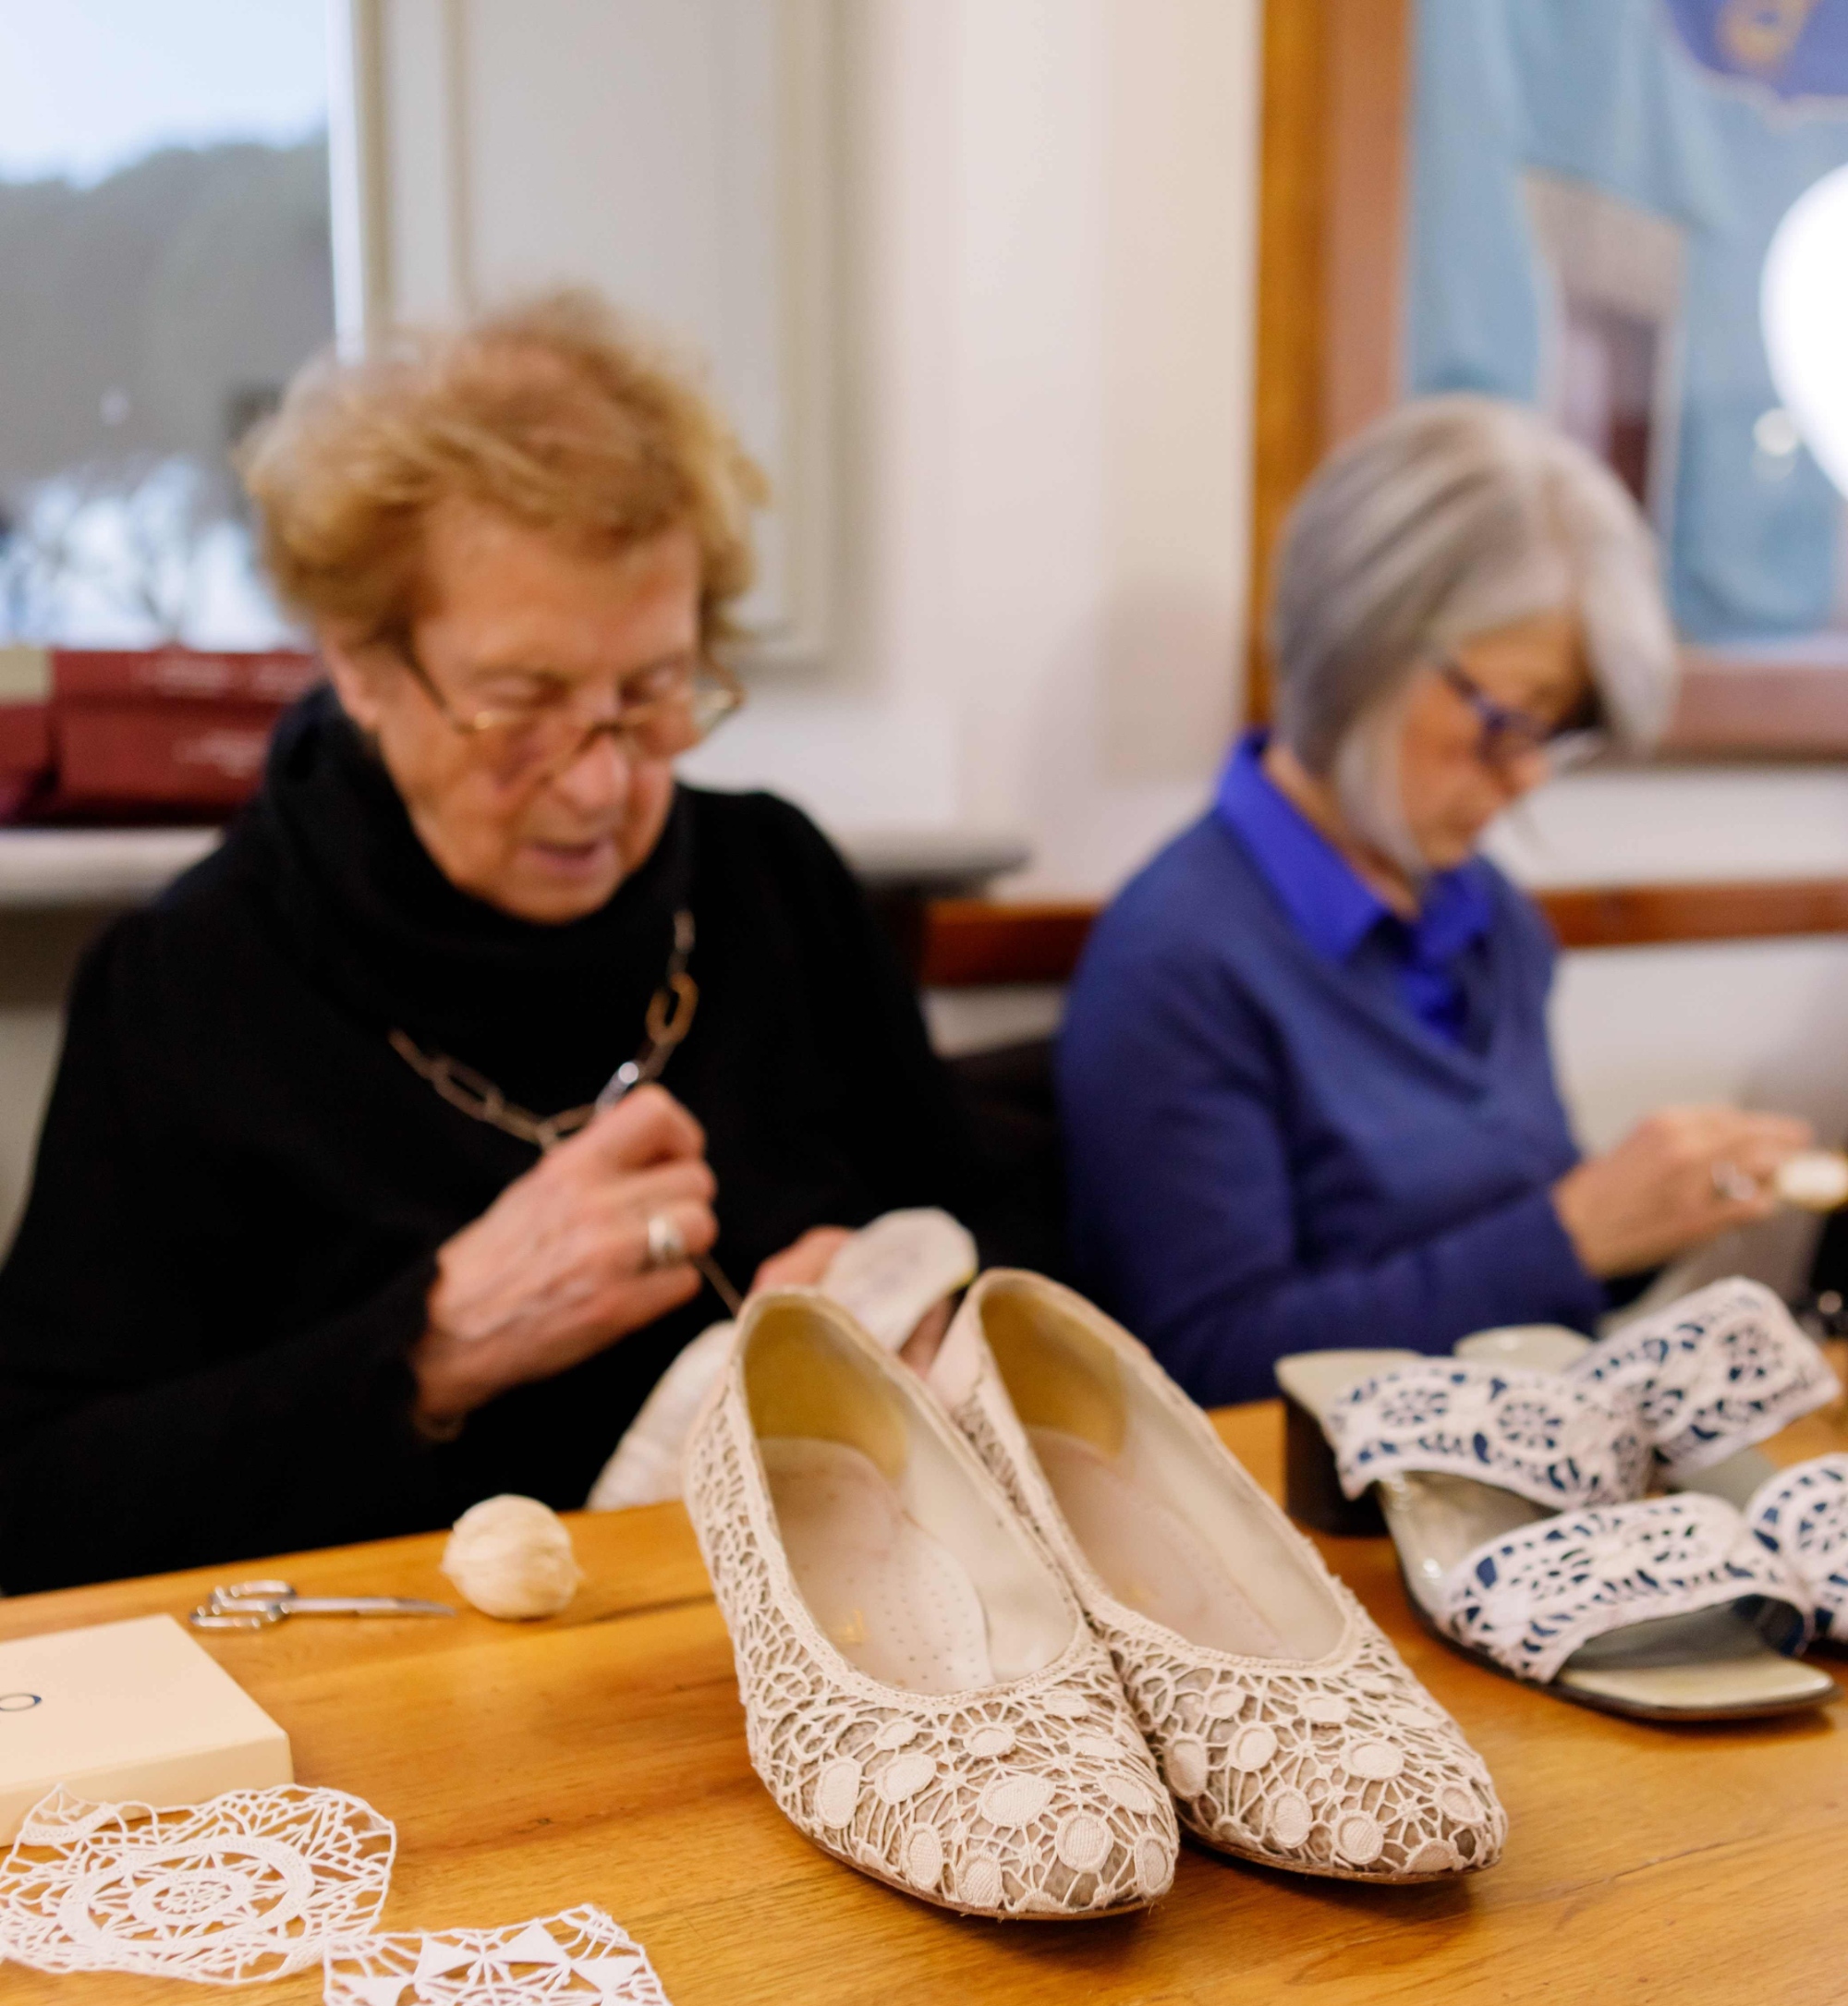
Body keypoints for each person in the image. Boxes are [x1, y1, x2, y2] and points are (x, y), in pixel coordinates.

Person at [0, 294, 996, 1589]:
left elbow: (1017, 1248)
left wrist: (920, 1311)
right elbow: (40, 1505)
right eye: (523, 705)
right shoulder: (188, 985)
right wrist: (435, 1344)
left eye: (650, 692)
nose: (599, 785)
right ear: (363, 665)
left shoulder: (776, 883)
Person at [1059, 395, 1812, 1406]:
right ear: (1363, 648)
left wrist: (1653, 1211)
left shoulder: (1487, 917)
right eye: (1508, 718)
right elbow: (1207, 1365)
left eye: (1555, 731)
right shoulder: (1178, 957)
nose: (1528, 775)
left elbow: (1522, 1256)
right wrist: (1574, 1233)